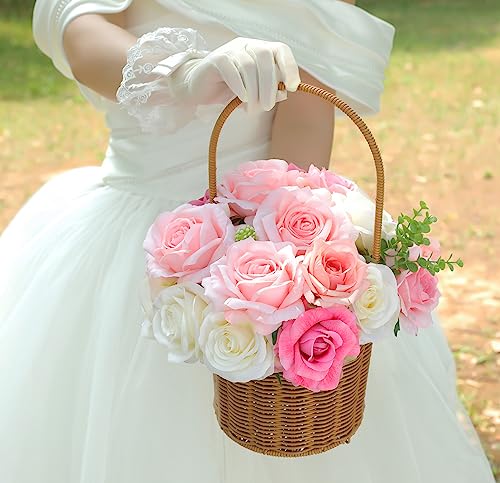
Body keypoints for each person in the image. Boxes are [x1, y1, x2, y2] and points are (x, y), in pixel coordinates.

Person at [0, 1, 495, 482]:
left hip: (264, 214)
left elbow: (306, 111)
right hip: (134, 237)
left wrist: (281, 256)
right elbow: (80, 33)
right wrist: (182, 74)